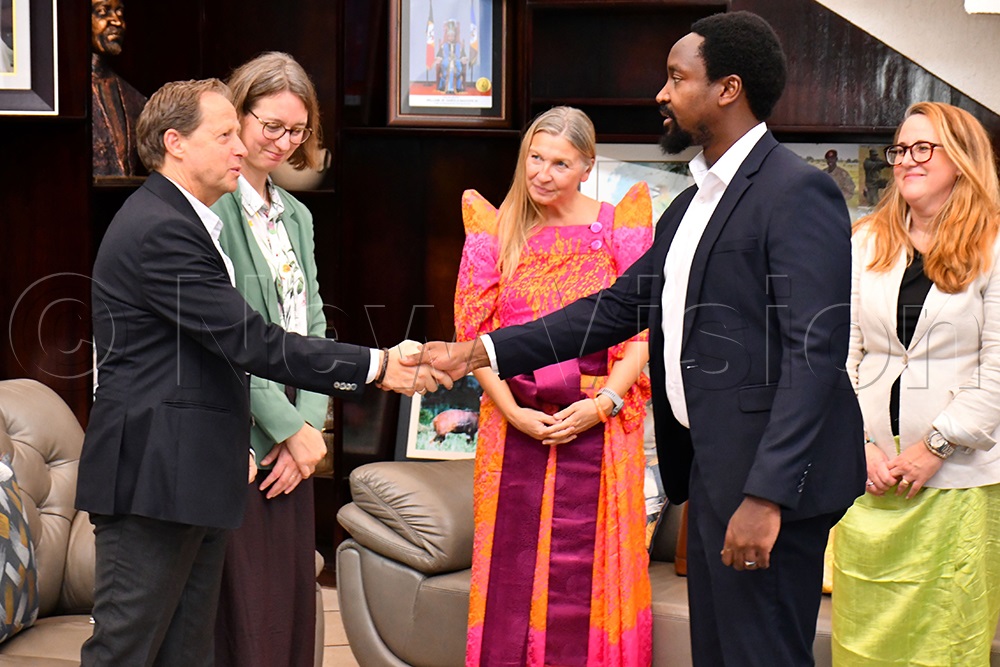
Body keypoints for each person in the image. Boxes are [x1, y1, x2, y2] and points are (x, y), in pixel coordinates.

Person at [422, 11, 865, 666]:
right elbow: (615, 307)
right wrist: (482, 350)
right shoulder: (690, 206)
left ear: (727, 89)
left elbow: (813, 353)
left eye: (676, 77)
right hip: (715, 474)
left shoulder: (798, 192)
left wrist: (766, 495)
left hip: (767, 487)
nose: (661, 93)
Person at [78, 77, 446, 666]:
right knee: (125, 651)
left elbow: (221, 354)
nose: (241, 148)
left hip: (192, 472)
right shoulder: (160, 229)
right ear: (176, 143)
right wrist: (377, 366)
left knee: (186, 654)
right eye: (225, 135)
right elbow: (251, 342)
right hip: (153, 476)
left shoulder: (189, 219)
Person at [457, 106, 653, 666]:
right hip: (513, 425)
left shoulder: (621, 227)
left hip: (600, 423)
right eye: (534, 159)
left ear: (587, 166)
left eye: (559, 163)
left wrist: (603, 404)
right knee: (510, 571)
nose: (542, 174)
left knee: (587, 579)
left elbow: (639, 336)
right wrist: (512, 413)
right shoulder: (496, 232)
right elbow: (476, 341)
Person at [833, 102, 1000, 665]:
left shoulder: (994, 245)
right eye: (901, 149)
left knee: (945, 641)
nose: (907, 160)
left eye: (922, 148)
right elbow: (842, 356)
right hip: (870, 477)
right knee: (863, 639)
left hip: (958, 480)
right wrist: (857, 445)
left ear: (962, 158)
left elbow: (997, 368)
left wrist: (935, 447)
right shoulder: (865, 243)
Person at [208, 52, 329, 667]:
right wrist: (284, 428)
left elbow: (311, 322)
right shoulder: (213, 211)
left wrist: (307, 427)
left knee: (289, 614)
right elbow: (226, 335)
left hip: (294, 445)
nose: (284, 142)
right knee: (243, 622)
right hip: (240, 439)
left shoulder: (297, 215)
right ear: (237, 115)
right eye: (271, 126)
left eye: (297, 130)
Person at [91, 0, 147, 177]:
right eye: (103, 12)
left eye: (120, 13)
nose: (117, 22)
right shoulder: (62, 97)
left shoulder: (135, 99)